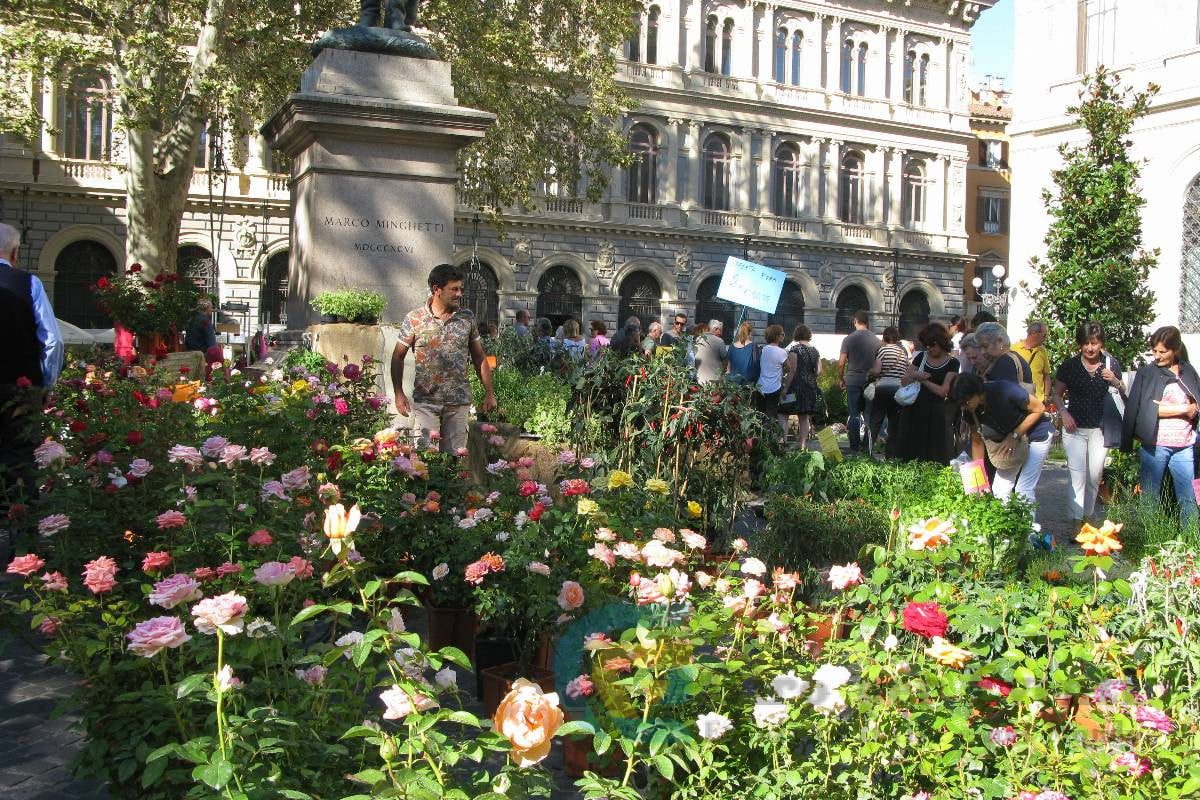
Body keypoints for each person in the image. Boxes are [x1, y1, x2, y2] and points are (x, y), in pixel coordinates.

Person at [391, 263, 497, 452]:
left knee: (455, 462)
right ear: (436, 289)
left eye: (460, 289)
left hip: (458, 402)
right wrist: (399, 393)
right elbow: (398, 357)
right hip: (426, 402)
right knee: (425, 459)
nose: (459, 294)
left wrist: (489, 392)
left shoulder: (467, 318)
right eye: (454, 289)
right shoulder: (415, 318)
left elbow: (479, 357)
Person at [0, 222, 64, 517]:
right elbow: (53, 341)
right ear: (15, 252)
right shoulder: (28, 283)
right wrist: (46, 385)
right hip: (21, 387)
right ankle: (21, 525)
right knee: (21, 455)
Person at [1121, 326, 1200, 529]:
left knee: (1187, 498)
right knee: (1150, 497)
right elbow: (1147, 409)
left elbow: (1196, 403)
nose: (1157, 356)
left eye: (1162, 351)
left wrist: (1193, 408)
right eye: (1154, 351)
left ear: (1175, 350)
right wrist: (1184, 408)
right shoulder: (1148, 374)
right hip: (1156, 444)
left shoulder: (1188, 371)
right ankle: (1149, 541)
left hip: (1184, 445)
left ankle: (1189, 542)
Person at [1052, 321, 1125, 527]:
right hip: (1074, 428)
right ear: (1080, 344)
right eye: (1086, 343)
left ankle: (1088, 515)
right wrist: (1063, 412)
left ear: (1101, 343)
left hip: (1101, 429)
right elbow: (1056, 394)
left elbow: (1123, 391)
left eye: (1094, 343)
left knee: (1095, 475)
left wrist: (1115, 381)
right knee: (1078, 476)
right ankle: (1076, 521)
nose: (1090, 348)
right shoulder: (1070, 366)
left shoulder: (1110, 365)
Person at [953, 371, 1053, 522]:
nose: (964, 406)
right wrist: (979, 481)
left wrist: (1014, 435)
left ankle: (1028, 537)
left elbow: (1039, 408)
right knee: (1000, 489)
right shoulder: (970, 410)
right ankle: (1006, 532)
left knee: (1023, 489)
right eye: (961, 403)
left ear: (977, 393)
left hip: (1036, 435)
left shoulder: (1004, 390)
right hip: (1013, 444)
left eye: (966, 401)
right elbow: (977, 442)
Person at [892, 323, 959, 464]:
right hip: (914, 410)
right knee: (910, 449)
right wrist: (914, 375)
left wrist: (923, 380)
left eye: (932, 345)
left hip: (936, 413)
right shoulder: (921, 357)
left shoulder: (952, 363)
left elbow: (943, 391)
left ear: (941, 343)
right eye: (926, 345)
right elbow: (904, 381)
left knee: (933, 450)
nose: (929, 349)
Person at [837, 311, 880, 454]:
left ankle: (854, 446)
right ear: (868, 322)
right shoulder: (876, 340)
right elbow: (880, 364)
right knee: (868, 414)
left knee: (854, 414)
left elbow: (841, 363)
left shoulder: (848, 339)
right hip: (870, 382)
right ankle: (867, 446)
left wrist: (841, 378)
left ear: (855, 321)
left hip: (852, 380)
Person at [867, 326, 909, 456]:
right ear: (897, 338)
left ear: (884, 337)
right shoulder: (903, 353)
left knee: (875, 421)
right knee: (894, 425)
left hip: (883, 388)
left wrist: (870, 372)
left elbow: (877, 370)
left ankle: (867, 451)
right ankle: (891, 455)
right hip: (898, 391)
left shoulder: (883, 350)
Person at [975, 322, 1034, 394]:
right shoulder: (1013, 358)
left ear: (1000, 341)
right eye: (980, 347)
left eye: (985, 346)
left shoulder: (1005, 362)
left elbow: (1002, 398)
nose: (982, 352)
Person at [756, 324, 794, 433]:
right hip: (774, 387)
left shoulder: (762, 349)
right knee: (771, 416)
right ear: (777, 336)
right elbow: (789, 368)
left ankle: (759, 440)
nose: (784, 336)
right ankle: (769, 441)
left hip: (760, 386)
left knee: (760, 415)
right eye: (782, 334)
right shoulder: (782, 352)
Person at [1011, 321, 1052, 402]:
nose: (1045, 338)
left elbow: (1046, 375)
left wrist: (1046, 396)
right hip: (1020, 399)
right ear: (1035, 334)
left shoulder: (1042, 351)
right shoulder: (1013, 349)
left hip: (1038, 400)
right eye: (1044, 335)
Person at [694, 320, 728, 385]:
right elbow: (725, 361)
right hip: (714, 382)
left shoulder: (698, 339)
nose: (721, 334)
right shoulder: (719, 341)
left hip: (698, 381)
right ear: (715, 329)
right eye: (720, 331)